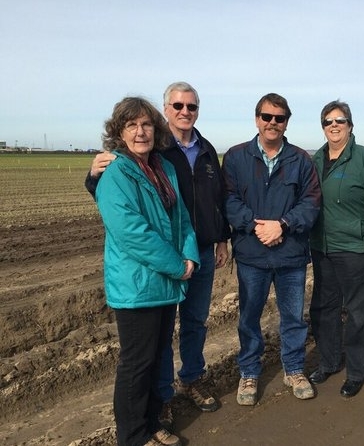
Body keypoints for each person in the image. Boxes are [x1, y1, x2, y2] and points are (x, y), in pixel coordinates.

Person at [86, 82, 230, 428]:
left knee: (193, 323)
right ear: (166, 110)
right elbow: (119, 204)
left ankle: (191, 379)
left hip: (197, 253)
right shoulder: (154, 153)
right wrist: (92, 176)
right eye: (178, 106)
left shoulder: (206, 151)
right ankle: (162, 399)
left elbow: (214, 200)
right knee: (153, 345)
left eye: (191, 107)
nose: (185, 112)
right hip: (158, 266)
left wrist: (219, 240)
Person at [94, 97, 200, 446]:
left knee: (157, 358)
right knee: (136, 364)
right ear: (119, 132)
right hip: (137, 285)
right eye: (132, 126)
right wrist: (176, 266)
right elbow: (132, 233)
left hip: (165, 283)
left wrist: (190, 257)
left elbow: (181, 218)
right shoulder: (116, 174)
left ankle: (153, 422)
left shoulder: (162, 168)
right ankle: (132, 436)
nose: (141, 132)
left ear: (156, 129)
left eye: (147, 125)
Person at [222, 93, 321, 406]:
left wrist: (284, 225)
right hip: (252, 255)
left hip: (290, 253)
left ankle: (294, 369)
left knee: (293, 317)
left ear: (286, 122)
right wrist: (256, 226)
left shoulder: (301, 159)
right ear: (257, 119)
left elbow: (311, 202)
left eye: (279, 118)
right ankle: (249, 372)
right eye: (267, 117)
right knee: (249, 317)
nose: (272, 123)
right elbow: (228, 200)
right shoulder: (237, 157)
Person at [309, 100, 364, 398]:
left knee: (357, 313)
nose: (334, 125)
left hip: (357, 249)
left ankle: (357, 371)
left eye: (340, 120)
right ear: (323, 127)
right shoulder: (316, 159)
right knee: (324, 309)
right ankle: (330, 361)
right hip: (322, 248)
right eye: (328, 121)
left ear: (350, 125)